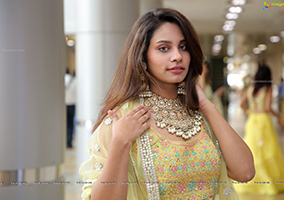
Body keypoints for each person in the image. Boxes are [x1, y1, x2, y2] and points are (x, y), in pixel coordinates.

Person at [79, 8, 255, 200]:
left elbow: (245, 172)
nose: (177, 56)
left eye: (183, 47)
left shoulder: (201, 113)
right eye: (164, 48)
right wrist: (120, 142)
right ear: (142, 56)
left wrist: (207, 107)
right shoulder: (125, 118)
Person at [235, 64, 284, 195]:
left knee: (252, 148)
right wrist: (279, 116)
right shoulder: (267, 88)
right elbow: (268, 108)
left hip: (252, 120)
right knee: (268, 150)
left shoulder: (250, 88)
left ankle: (252, 177)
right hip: (264, 120)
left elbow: (241, 104)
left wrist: (250, 112)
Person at [65, 70, 77, 148]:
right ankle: (69, 142)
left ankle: (65, 141)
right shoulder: (74, 81)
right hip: (72, 104)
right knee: (70, 124)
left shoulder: (63, 79)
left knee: (65, 124)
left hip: (65, 104)